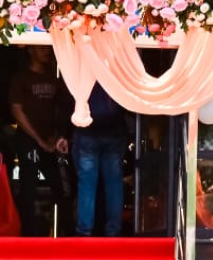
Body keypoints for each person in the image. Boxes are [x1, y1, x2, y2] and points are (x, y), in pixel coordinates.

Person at [7, 47, 73, 236]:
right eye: (42, 47)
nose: (46, 51)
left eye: (47, 48)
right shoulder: (21, 78)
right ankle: (28, 235)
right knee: (28, 187)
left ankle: (67, 234)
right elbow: (16, 110)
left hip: (51, 142)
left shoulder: (54, 79)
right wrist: (38, 139)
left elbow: (65, 108)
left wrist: (58, 136)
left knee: (62, 187)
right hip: (28, 140)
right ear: (30, 50)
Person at [73, 84, 130, 236]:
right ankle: (114, 230)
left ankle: (84, 230)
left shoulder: (85, 70)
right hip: (115, 129)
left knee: (87, 183)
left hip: (87, 130)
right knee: (114, 183)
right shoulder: (115, 69)